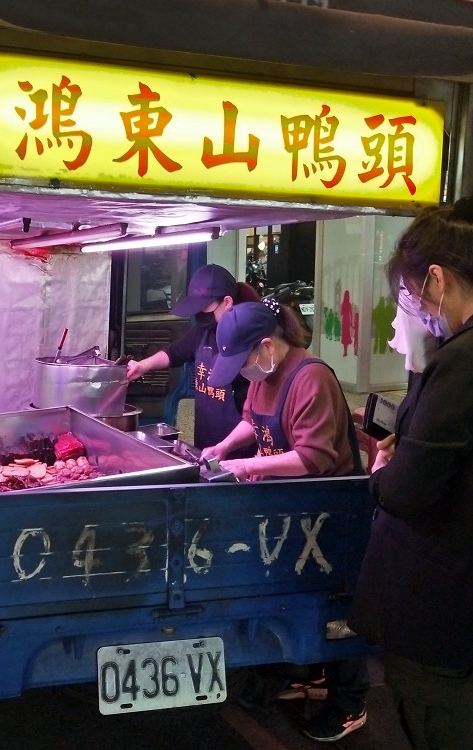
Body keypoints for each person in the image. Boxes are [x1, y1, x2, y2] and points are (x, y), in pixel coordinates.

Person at [349, 194, 473, 750]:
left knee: (433, 709)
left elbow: (409, 492)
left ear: (436, 280)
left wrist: (385, 465)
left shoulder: (465, 358)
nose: (413, 310)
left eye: (411, 294)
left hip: (441, 590)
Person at [200, 298, 368, 742]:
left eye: (243, 361)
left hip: (330, 506)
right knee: (289, 589)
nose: (242, 372)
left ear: (268, 345)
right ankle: (304, 673)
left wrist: (251, 467)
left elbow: (314, 457)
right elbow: (252, 422)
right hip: (290, 504)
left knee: (331, 601)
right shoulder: (264, 374)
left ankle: (351, 702)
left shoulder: (310, 377)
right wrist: (222, 449)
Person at [126, 264, 259, 454]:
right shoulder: (203, 330)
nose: (199, 314)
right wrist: (143, 366)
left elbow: (258, 409)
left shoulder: (247, 337)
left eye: (203, 306)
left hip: (240, 448)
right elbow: (175, 352)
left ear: (227, 302)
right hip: (207, 442)